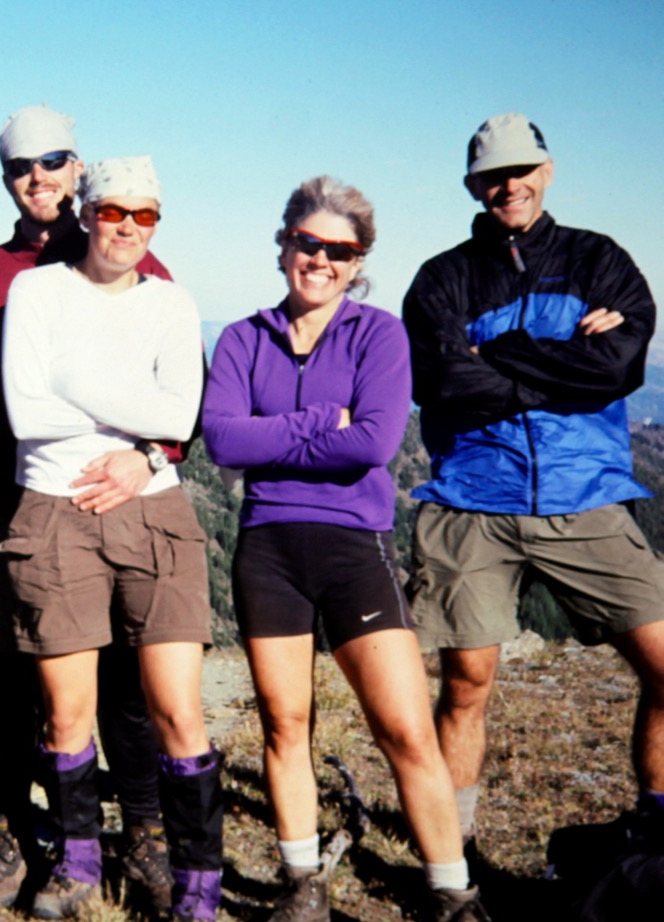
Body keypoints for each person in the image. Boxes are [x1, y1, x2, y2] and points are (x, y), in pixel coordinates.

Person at [202, 177, 488, 922]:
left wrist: (284, 432)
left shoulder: (379, 334)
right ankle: (304, 887)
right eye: (309, 243)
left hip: (354, 545)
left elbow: (375, 443)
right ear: (284, 244)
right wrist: (321, 420)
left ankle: (452, 891)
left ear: (359, 263)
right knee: (283, 722)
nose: (322, 260)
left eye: (342, 251)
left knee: (404, 728)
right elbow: (223, 438)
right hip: (267, 548)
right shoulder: (241, 337)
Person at [403, 113, 664, 861]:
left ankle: (655, 827)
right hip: (472, 500)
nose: (508, 185)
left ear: (546, 173)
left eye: (521, 171)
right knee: (466, 686)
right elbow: (445, 380)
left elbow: (616, 369)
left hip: (586, 496)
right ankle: (454, 858)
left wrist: (502, 352)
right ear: (473, 186)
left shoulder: (600, 260)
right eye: (493, 175)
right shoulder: (443, 278)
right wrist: (558, 356)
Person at [0, 105, 176, 912]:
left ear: (80, 169)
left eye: (54, 161)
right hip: (8, 504)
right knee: (9, 676)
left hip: (111, 499)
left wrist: (153, 461)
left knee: (122, 680)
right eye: (20, 167)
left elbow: (180, 396)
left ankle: (139, 835)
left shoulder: (142, 267)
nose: (37, 177)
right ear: (6, 178)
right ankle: (13, 835)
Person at [0, 156, 221, 921]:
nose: (128, 227)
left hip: (152, 506)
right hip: (54, 511)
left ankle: (198, 882)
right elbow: (26, 415)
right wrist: (141, 415)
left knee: (178, 713)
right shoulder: (37, 289)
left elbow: (179, 416)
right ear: (87, 212)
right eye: (114, 211)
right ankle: (79, 863)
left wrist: (130, 439)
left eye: (145, 215)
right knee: (66, 713)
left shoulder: (173, 301)